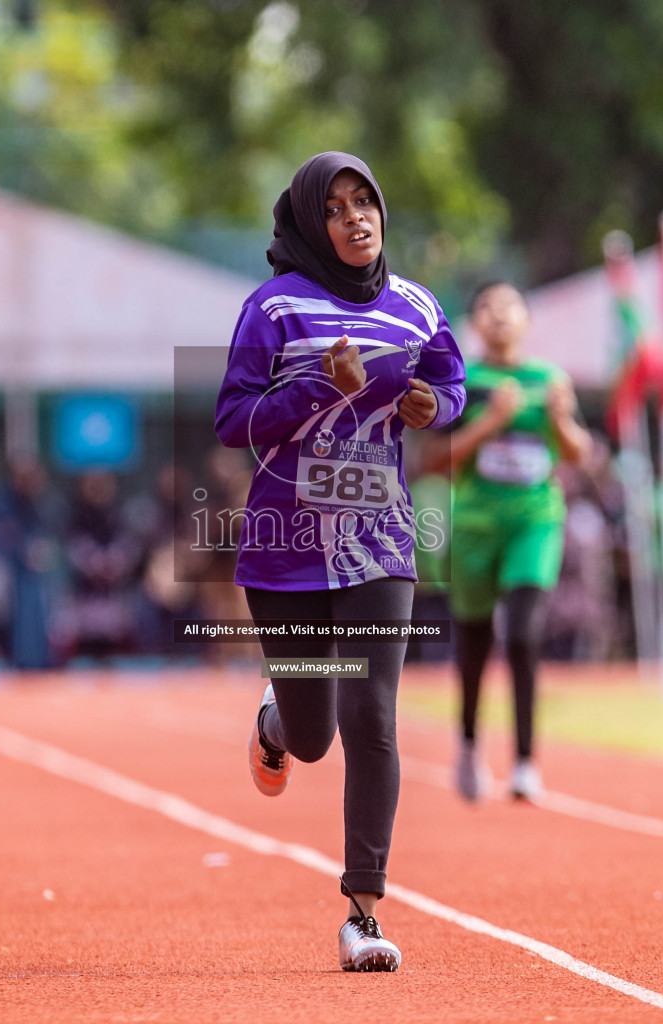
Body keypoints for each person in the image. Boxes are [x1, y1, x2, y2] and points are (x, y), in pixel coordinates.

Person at [216, 152, 465, 972]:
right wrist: (319, 389)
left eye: (366, 201)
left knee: (374, 717)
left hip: (380, 541)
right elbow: (233, 423)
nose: (357, 218)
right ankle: (278, 720)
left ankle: (362, 911)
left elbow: (449, 381)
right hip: (284, 549)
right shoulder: (274, 309)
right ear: (308, 226)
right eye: (336, 208)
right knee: (317, 736)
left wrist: (437, 405)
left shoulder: (417, 306)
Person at [438, 282, 588, 802]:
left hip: (535, 522)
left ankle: (525, 762)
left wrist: (561, 419)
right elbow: (434, 460)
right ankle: (468, 745)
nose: (499, 315)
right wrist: (492, 421)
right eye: (487, 307)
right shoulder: (461, 381)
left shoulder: (549, 379)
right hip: (476, 527)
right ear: (473, 323)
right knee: (474, 647)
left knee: (524, 633)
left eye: (509, 306)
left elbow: (578, 453)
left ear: (526, 319)